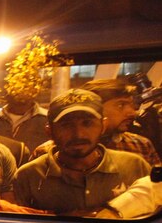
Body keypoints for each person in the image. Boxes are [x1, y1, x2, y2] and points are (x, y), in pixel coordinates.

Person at [14, 89, 150, 215]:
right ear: (49, 131)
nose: (78, 134)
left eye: (87, 123)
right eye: (66, 125)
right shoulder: (29, 176)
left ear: (103, 126)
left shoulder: (134, 166)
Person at [31, 79, 161, 166]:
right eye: (121, 105)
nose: (132, 113)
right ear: (96, 108)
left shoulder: (141, 145)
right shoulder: (48, 152)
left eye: (131, 105)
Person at [0, 81, 50, 151]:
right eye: (16, 88)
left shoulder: (47, 119)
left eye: (26, 87)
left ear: (35, 92)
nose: (21, 93)